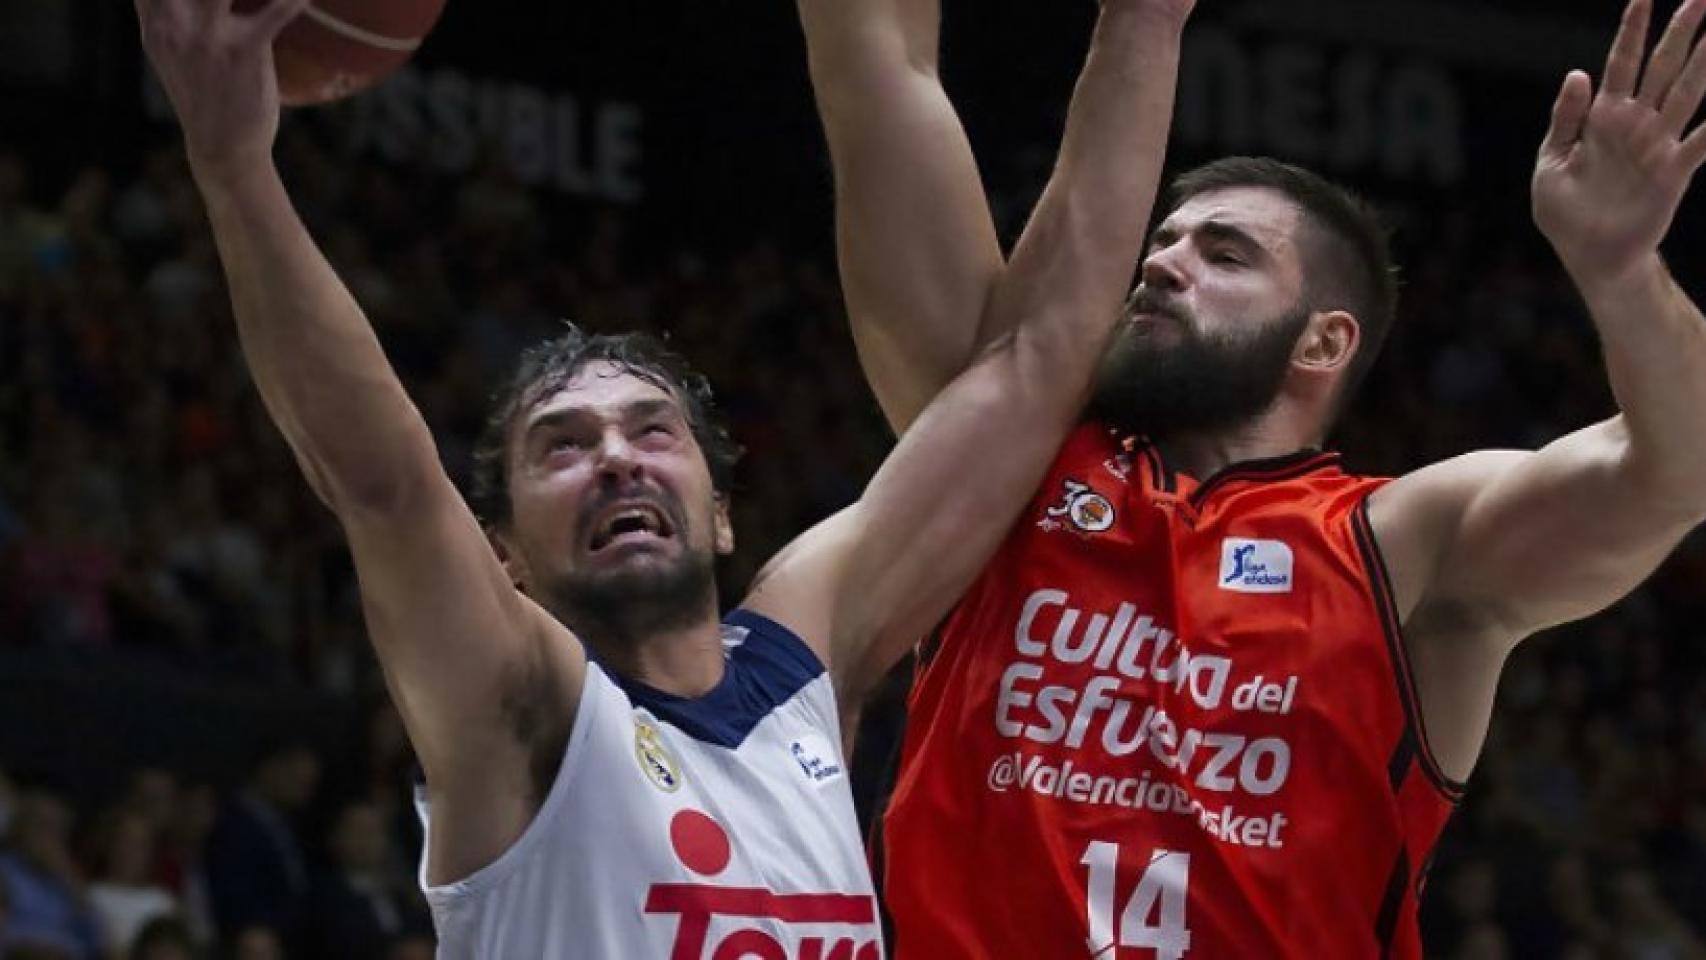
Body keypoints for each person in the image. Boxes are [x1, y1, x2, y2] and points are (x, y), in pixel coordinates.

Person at [131, 0, 1193, 954]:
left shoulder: (800, 663)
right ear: (498, 554)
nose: (613, 457)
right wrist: (236, 171)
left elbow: (1031, 363)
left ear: (721, 514)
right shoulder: (522, 710)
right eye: (562, 445)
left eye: (651, 430)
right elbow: (380, 482)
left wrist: (1143, 25)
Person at [803, 0, 1706, 955]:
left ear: (1324, 340)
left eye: (1222, 253)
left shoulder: (1401, 541)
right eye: (1163, 242)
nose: (1160, 264)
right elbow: (880, 74)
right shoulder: (1005, 467)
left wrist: (1622, 271)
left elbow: (1677, 470)